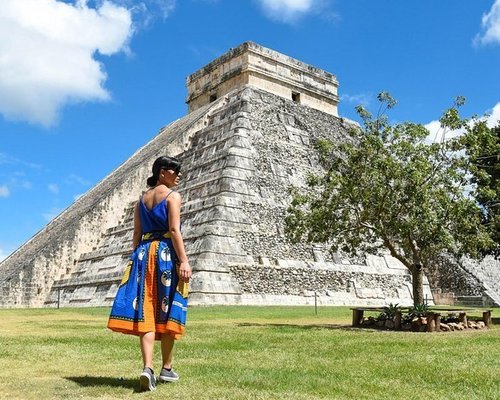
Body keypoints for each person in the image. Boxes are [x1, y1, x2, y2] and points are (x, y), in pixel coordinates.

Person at [107, 156, 192, 392]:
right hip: (164, 254)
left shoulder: (140, 201)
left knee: (146, 309)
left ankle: (148, 367)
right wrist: (183, 260)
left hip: (143, 255)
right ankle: (166, 367)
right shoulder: (173, 196)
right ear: (163, 172)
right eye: (176, 172)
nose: (179, 177)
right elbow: (174, 229)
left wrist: (135, 260)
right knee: (167, 309)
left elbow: (136, 233)